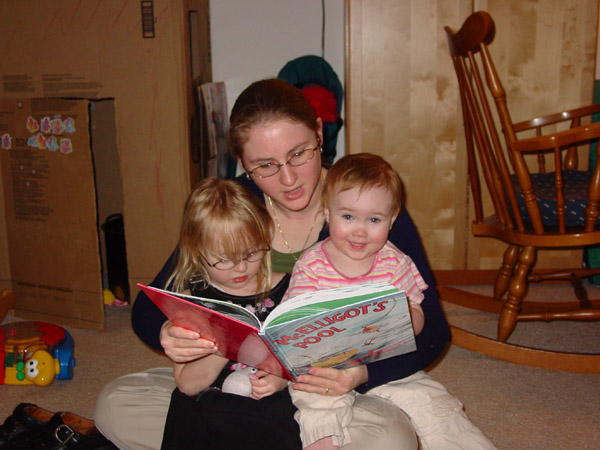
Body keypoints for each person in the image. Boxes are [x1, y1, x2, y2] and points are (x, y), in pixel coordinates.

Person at [93, 78, 451, 450]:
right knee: (114, 404)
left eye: (299, 154)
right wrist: (170, 333)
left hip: (331, 392)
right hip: (241, 384)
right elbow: (148, 310)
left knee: (391, 440)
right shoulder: (236, 206)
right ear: (242, 164)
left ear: (318, 132)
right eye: (265, 165)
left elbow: (434, 331)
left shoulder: (365, 205)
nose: (288, 178)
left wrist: (361, 375)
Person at [285, 153, 496, 450]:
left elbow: (418, 313)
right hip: (326, 370)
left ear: (392, 219)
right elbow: (296, 324)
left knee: (435, 404)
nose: (360, 231)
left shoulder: (395, 262)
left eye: (374, 219)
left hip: (386, 361)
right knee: (317, 411)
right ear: (327, 213)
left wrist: (404, 318)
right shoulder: (311, 265)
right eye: (348, 217)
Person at [156, 177, 299, 449]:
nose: (241, 267)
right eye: (224, 259)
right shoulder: (192, 300)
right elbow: (187, 385)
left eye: (252, 253)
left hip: (266, 406)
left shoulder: (290, 289)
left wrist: (282, 379)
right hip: (211, 402)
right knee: (194, 415)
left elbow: (303, 358)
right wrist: (228, 342)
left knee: (283, 421)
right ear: (196, 250)